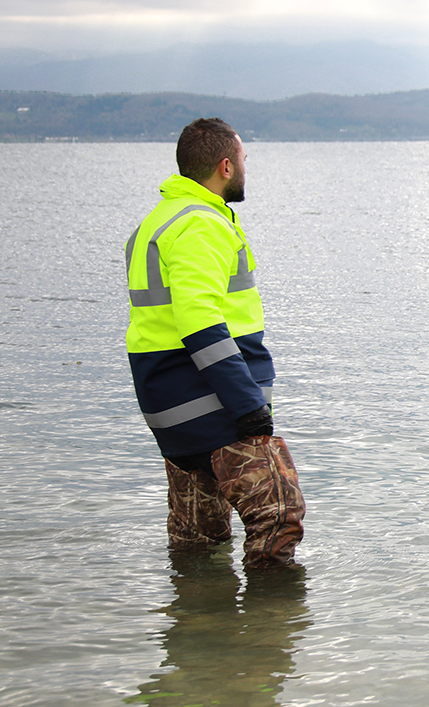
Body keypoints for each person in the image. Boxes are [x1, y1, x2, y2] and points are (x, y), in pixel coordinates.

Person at [125, 117, 306, 568]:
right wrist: (247, 406)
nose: (247, 167)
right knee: (279, 513)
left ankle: (201, 625)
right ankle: (269, 630)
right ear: (226, 166)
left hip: (173, 403)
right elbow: (200, 322)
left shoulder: (160, 220)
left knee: (198, 535)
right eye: (244, 159)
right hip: (211, 403)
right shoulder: (200, 225)